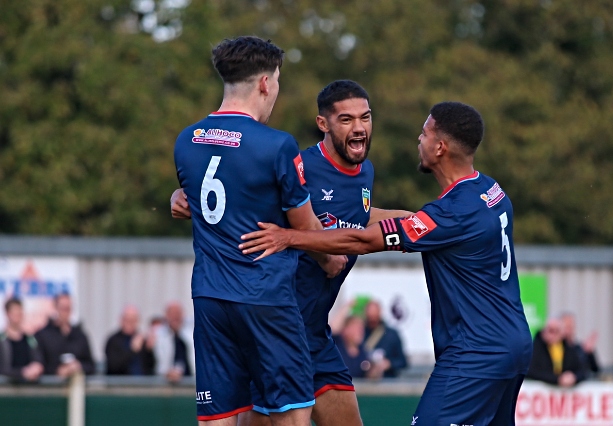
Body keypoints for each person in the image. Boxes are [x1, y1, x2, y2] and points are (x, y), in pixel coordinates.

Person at [240, 102, 534, 426]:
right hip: (514, 343)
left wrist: (289, 237)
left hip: (477, 352)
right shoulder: (490, 190)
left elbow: (363, 241)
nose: (418, 141)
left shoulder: (452, 212)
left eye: (424, 134)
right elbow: (418, 223)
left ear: (440, 147)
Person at [172, 79, 410, 426]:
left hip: (315, 334)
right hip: (275, 329)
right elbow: (240, 196)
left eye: (365, 117)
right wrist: (182, 196)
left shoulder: (365, 172)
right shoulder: (301, 166)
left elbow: (358, 217)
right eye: (346, 120)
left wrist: (418, 220)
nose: (359, 128)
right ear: (323, 124)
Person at [173, 36, 348, 425]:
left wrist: (178, 198)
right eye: (278, 83)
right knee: (293, 412)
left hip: (209, 297)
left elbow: (203, 193)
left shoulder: (187, 140)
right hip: (265, 298)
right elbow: (306, 228)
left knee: (218, 415)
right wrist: (329, 256)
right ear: (265, 83)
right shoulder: (277, 145)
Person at [35, 293, 95, 377]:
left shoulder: (80, 336)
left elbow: (91, 366)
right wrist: (57, 371)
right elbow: (39, 365)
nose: (65, 313)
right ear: (55, 308)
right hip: (50, 386)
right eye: (63, 308)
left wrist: (78, 366)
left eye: (68, 309)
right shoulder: (43, 335)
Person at [526, 317, 587, 387]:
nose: (553, 335)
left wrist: (574, 377)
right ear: (544, 331)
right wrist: (557, 379)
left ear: (562, 332)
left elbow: (582, 370)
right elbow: (531, 371)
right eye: (551, 331)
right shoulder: (536, 348)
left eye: (557, 331)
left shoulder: (568, 348)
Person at [0, 298, 44, 382]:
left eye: (19, 312)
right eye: (14, 312)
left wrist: (37, 367)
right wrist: (22, 372)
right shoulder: (2, 340)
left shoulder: (30, 339)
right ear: (7, 314)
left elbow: (38, 359)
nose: (17, 315)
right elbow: (3, 368)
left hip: (29, 389)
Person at [104, 305, 155, 375]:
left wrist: (149, 350)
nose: (130, 324)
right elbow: (114, 366)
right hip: (120, 384)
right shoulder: (113, 341)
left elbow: (150, 366)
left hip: (142, 383)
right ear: (121, 320)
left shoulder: (141, 340)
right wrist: (132, 350)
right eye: (127, 320)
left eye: (133, 320)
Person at [363, 300, 407, 378]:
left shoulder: (392, 335)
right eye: (370, 317)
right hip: (363, 381)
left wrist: (389, 364)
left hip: (387, 381)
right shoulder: (359, 333)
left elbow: (403, 362)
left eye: (375, 317)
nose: (372, 320)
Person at [152, 301, 194, 383]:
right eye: (172, 314)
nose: (175, 317)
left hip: (192, 383)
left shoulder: (192, 334)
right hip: (165, 384)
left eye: (177, 314)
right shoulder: (158, 335)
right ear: (166, 316)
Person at [560, 312, 599, 378]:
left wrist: (589, 353)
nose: (568, 331)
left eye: (571, 327)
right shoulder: (554, 348)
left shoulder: (580, 348)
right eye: (566, 327)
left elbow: (595, 370)